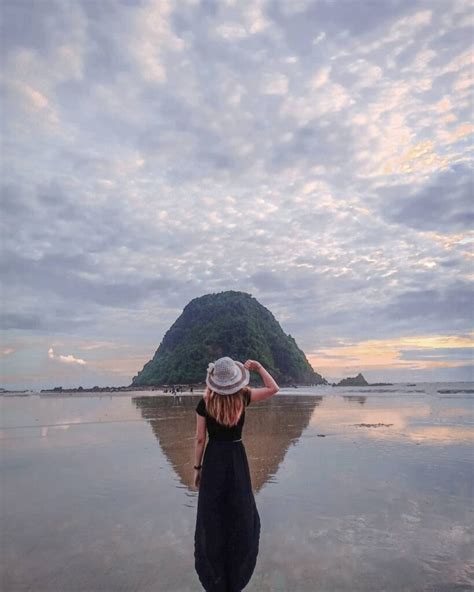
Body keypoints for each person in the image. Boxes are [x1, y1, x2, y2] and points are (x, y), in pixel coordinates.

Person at [193, 357, 279, 592]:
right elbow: (273, 388)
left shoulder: (205, 402)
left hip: (213, 460)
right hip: (236, 458)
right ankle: (236, 573)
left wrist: (197, 469)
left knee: (213, 515)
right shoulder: (244, 396)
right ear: (234, 379)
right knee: (239, 511)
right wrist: (260, 367)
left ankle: (215, 575)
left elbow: (201, 439)